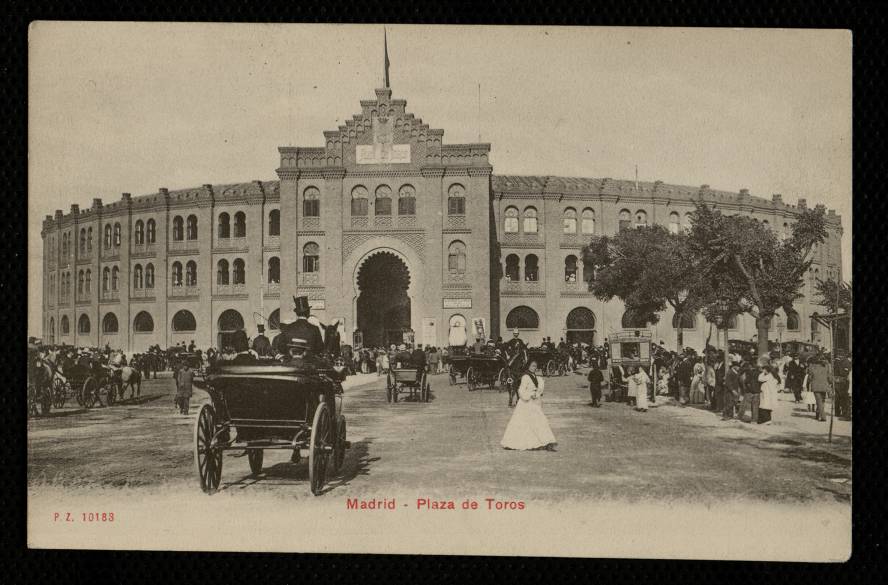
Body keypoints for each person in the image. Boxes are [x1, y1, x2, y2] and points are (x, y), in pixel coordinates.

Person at [500, 361, 557, 451]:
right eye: (533, 366)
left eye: (535, 366)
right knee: (524, 423)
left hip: (534, 403)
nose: (534, 368)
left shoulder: (535, 377)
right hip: (526, 403)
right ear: (528, 367)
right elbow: (521, 390)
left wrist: (536, 393)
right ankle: (527, 442)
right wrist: (529, 395)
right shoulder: (525, 377)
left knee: (539, 421)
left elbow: (538, 389)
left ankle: (545, 441)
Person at [806, 356, 833, 422]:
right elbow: (829, 377)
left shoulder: (812, 367)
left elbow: (809, 378)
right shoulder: (826, 367)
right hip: (824, 386)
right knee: (822, 401)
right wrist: (830, 382)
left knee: (819, 401)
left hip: (816, 386)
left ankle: (823, 417)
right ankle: (817, 414)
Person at [722, 356, 741, 420]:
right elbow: (728, 383)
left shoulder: (736, 372)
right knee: (728, 403)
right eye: (738, 367)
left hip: (735, 389)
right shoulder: (730, 372)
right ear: (734, 366)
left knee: (733, 403)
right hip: (729, 391)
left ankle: (730, 415)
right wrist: (732, 390)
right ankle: (725, 415)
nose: (738, 368)